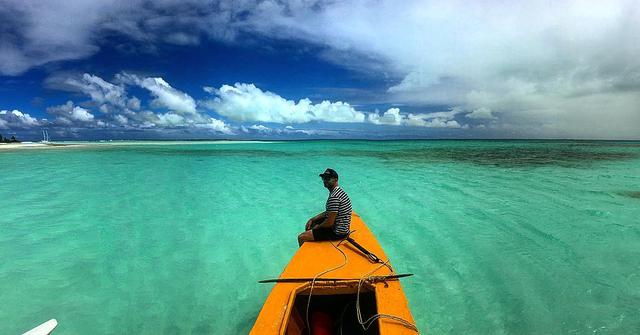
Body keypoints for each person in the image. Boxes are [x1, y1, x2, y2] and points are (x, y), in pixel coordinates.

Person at [298, 168, 352, 246]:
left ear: (336, 180)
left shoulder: (334, 197)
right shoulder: (339, 192)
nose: (325, 180)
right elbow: (330, 212)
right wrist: (313, 219)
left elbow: (329, 222)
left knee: (301, 237)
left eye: (328, 178)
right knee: (313, 223)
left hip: (337, 233)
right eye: (324, 178)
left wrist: (317, 228)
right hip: (343, 229)